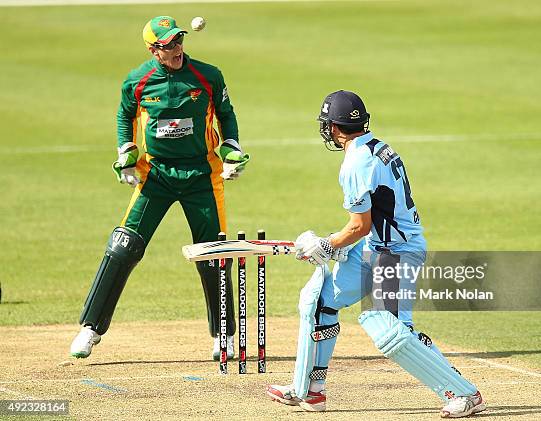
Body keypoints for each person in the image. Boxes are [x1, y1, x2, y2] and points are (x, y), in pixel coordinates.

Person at [266, 90, 485, 418]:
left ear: (336, 129)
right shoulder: (377, 146)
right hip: (377, 248)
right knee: (319, 300)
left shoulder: (355, 162)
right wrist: (334, 249)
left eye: (327, 125)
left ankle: (464, 393)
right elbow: (372, 222)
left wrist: (327, 245)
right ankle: (310, 391)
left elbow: (360, 225)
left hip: (397, 253)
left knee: (391, 330)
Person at [70, 16, 249, 361]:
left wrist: (232, 151)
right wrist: (125, 151)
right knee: (123, 247)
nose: (177, 47)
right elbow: (125, 115)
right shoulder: (137, 80)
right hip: (156, 175)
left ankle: (222, 336)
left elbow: (226, 115)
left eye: (179, 40)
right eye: (168, 44)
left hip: (202, 175)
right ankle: (90, 329)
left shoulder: (208, 75)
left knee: (213, 252)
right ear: (154, 50)